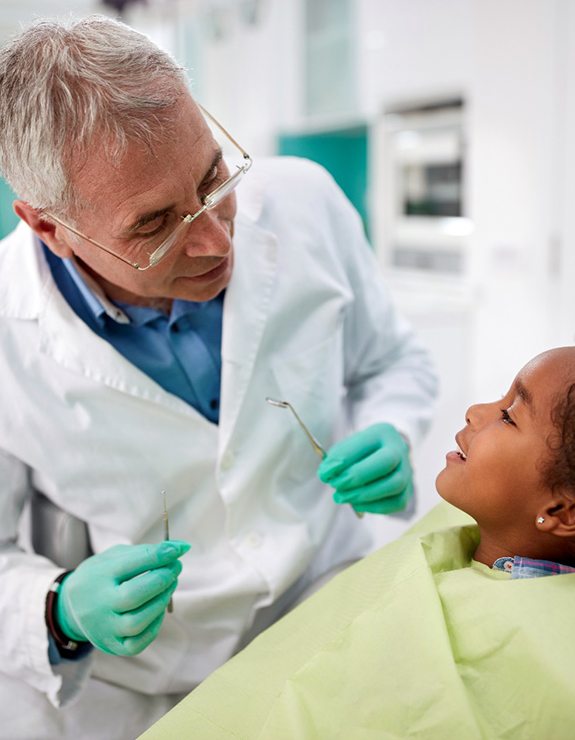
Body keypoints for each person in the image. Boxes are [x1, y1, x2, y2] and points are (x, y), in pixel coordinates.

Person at [0, 15, 437, 739]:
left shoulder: (304, 202)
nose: (213, 238)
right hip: (139, 682)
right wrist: (59, 608)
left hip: (326, 604)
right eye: (153, 224)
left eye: (212, 177)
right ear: (47, 225)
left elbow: (393, 362)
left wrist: (390, 426)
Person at [140, 346, 575, 740]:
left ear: (562, 513)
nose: (475, 410)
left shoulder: (551, 660)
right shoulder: (456, 533)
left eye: (508, 416)